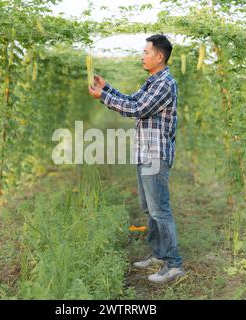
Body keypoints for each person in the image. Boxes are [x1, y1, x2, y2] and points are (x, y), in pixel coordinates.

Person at [88, 34, 184, 284]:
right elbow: (133, 100)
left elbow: (137, 110)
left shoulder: (165, 84)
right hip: (145, 152)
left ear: (159, 56)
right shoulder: (153, 81)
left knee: (160, 210)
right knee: (149, 208)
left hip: (155, 154)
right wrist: (107, 88)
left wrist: (103, 98)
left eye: (146, 52)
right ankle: (159, 255)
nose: (143, 56)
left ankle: (173, 264)